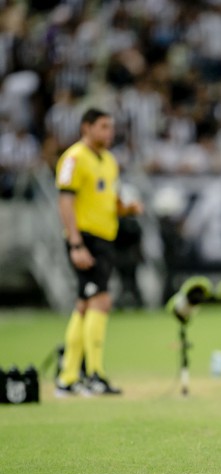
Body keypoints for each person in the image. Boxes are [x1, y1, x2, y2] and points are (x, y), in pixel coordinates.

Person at [54, 108, 142, 397]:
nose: (109, 132)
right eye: (103, 127)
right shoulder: (74, 158)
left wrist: (125, 209)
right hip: (86, 239)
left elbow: (109, 200)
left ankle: (68, 378)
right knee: (100, 301)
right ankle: (94, 374)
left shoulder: (109, 161)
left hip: (104, 239)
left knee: (84, 304)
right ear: (86, 127)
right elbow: (65, 202)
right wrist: (75, 243)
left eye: (111, 127)